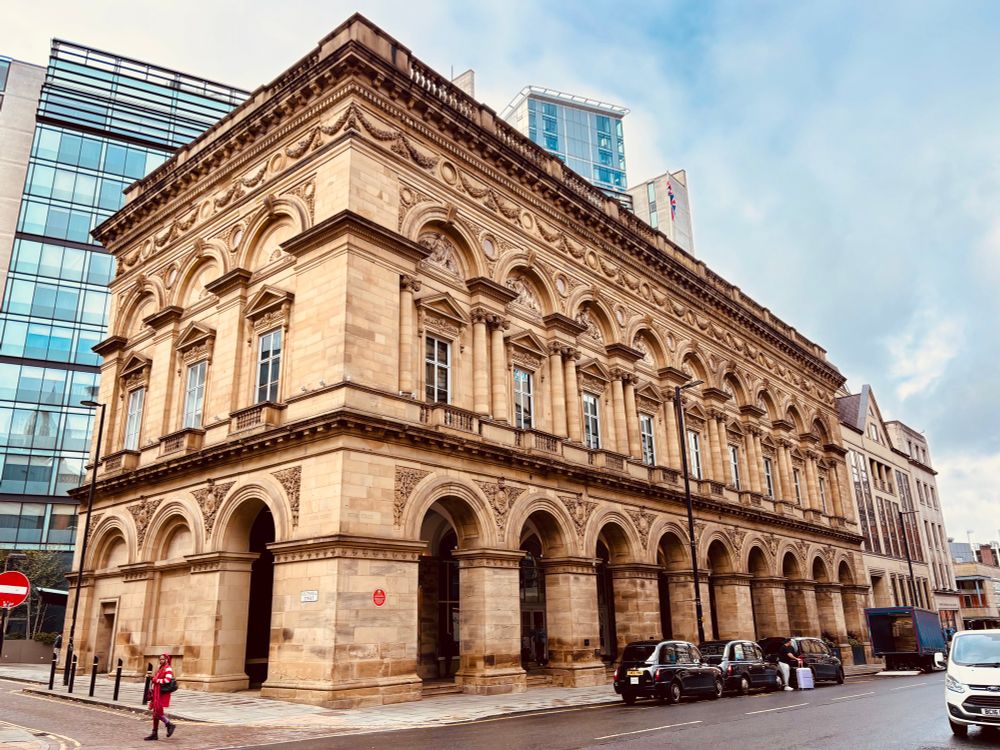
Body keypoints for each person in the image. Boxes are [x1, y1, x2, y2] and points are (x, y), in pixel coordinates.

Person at [145, 653, 177, 741]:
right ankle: (154, 733)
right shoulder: (161, 668)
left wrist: (155, 679)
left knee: (157, 713)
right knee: (156, 713)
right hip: (157, 693)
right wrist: (152, 678)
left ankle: (169, 724)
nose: (161, 660)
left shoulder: (168, 668)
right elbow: (158, 679)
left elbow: (167, 680)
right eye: (160, 659)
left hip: (162, 693)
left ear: (167, 659)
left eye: (162, 659)